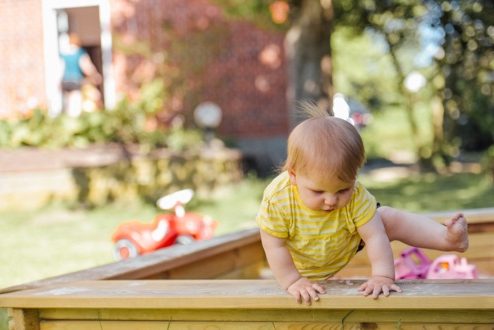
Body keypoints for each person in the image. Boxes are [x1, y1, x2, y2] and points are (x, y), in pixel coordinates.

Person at [256, 103, 469, 304]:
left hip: (343, 240)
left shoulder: (357, 195)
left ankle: (448, 239)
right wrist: (293, 281)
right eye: (318, 191)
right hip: (300, 259)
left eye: (343, 189)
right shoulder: (278, 200)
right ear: (293, 176)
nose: (331, 200)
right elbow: (274, 245)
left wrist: (383, 276)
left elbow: (375, 236)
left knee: (386, 218)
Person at [60, 33, 102, 117]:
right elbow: (86, 66)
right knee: (75, 103)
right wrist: (95, 74)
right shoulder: (79, 53)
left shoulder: (64, 54)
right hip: (75, 80)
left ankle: (68, 118)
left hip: (65, 81)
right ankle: (74, 121)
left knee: (67, 102)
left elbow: (60, 68)